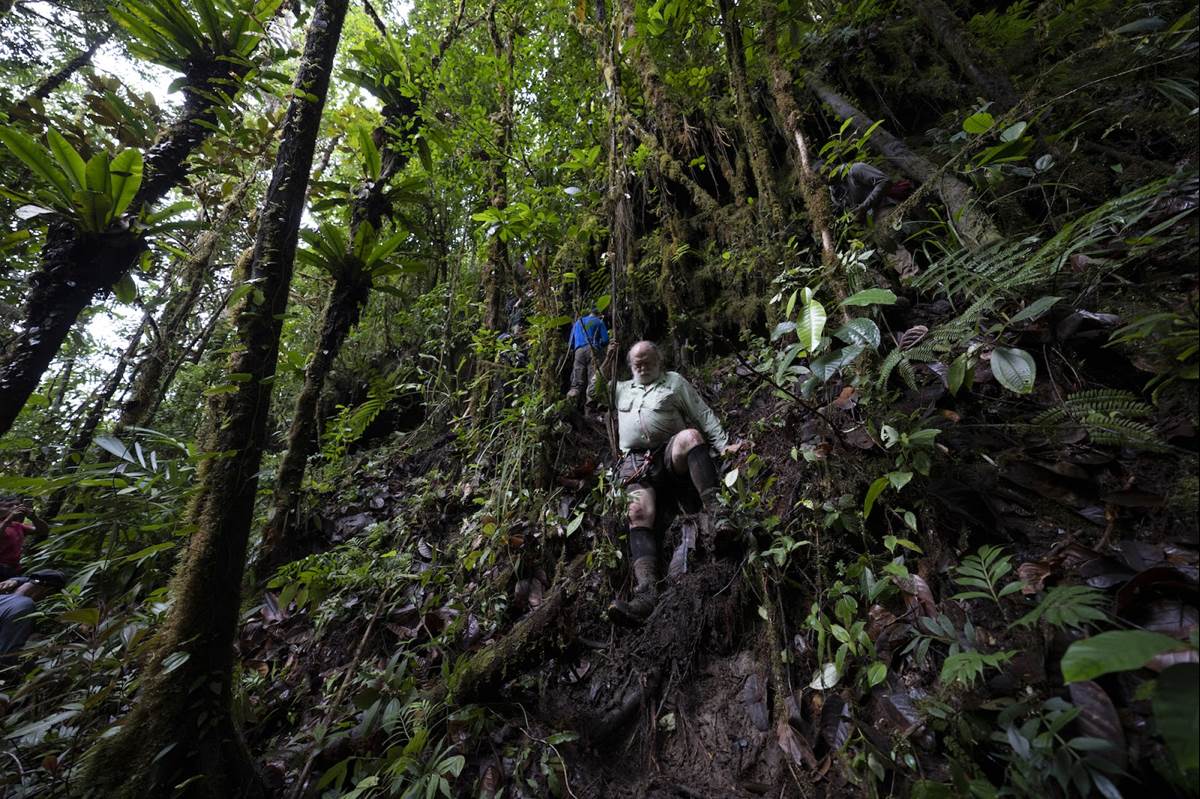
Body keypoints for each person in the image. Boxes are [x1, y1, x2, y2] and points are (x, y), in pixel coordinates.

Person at [608, 341, 740, 625]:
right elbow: (595, 390)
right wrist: (607, 357)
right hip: (635, 463)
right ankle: (647, 593)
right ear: (630, 366)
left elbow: (701, 413)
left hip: (669, 453)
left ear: (659, 360)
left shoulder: (674, 382)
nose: (642, 366)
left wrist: (723, 444)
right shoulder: (620, 389)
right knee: (637, 513)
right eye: (636, 363)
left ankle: (719, 516)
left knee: (691, 436)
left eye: (647, 361)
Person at [0, 569, 66, 656]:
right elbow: (7, 652)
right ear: (48, 592)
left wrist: (16, 580)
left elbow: (31, 580)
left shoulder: (3, 595)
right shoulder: (25, 606)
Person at [566, 309, 610, 402]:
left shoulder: (578, 322)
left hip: (579, 351)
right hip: (593, 350)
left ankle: (574, 395)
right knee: (593, 376)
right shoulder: (598, 321)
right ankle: (591, 401)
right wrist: (599, 345)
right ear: (599, 315)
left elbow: (571, 343)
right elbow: (606, 340)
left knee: (578, 374)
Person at [0, 499, 49, 580]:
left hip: (13, 569)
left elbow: (43, 531)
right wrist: (9, 518)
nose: (15, 508)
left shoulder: (18, 525)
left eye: (16, 505)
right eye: (8, 506)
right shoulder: (6, 523)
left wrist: (34, 518)